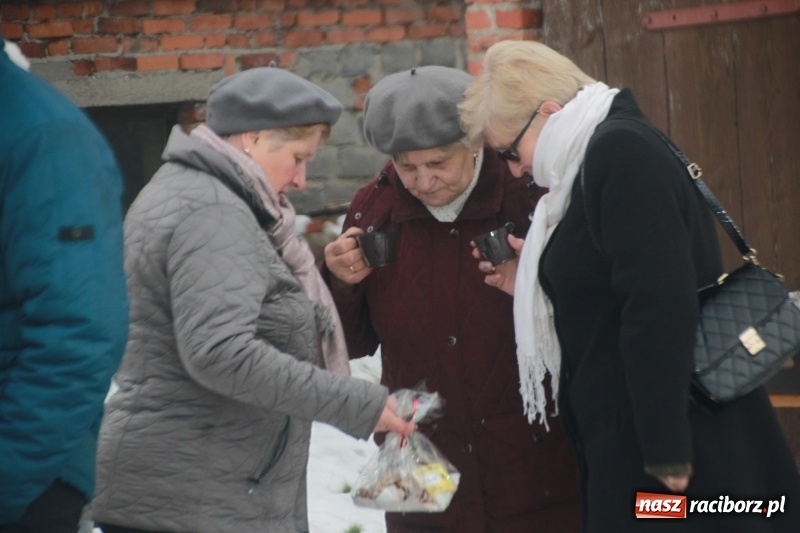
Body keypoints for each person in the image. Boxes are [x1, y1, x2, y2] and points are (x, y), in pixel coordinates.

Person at [459, 39, 800, 531]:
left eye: (509, 153)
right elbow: (611, 282)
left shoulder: (617, 154)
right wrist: (537, 282)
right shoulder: (597, 152)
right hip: (646, 431)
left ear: (549, 113)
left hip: (671, 448)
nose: (515, 170)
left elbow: (657, 303)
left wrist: (665, 451)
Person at [88, 67, 416, 533]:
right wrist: (352, 402)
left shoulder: (203, 193)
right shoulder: (214, 211)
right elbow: (220, 352)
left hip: (207, 483)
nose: (302, 180)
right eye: (299, 158)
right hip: (194, 493)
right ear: (253, 138)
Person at [323, 66, 581, 533]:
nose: (422, 182)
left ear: (476, 143)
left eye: (438, 163)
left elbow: (588, 316)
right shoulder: (374, 210)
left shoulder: (532, 199)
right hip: (421, 472)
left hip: (534, 471)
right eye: (406, 166)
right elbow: (352, 344)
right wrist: (341, 282)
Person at [0, 35, 129, 533]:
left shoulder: (41, 132)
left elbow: (80, 331)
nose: (301, 177)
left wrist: (8, 477)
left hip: (27, 481)